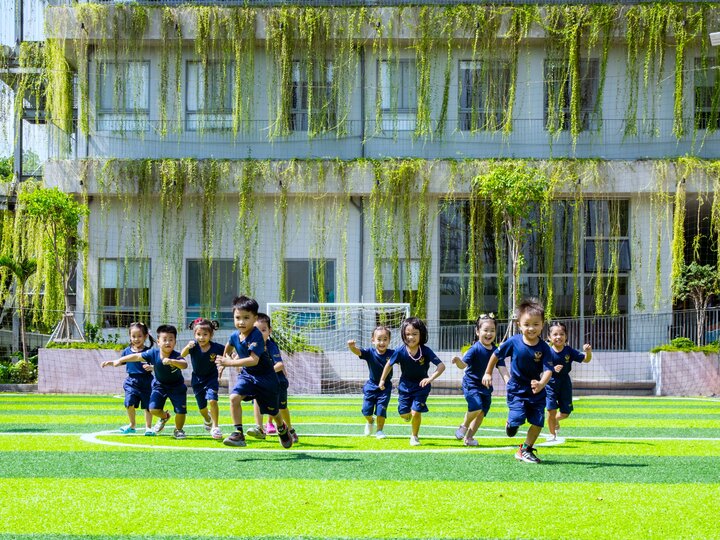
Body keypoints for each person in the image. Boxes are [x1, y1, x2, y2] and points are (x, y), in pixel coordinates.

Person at [216, 296, 292, 449]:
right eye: (238, 318)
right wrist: (223, 361)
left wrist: (229, 363)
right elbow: (229, 346)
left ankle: (282, 428)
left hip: (266, 378)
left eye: (246, 318)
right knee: (234, 397)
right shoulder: (234, 335)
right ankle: (238, 433)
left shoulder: (256, 335)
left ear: (255, 318)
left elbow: (253, 360)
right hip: (248, 376)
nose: (241, 322)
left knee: (273, 411)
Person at [483, 298, 553, 463]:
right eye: (527, 324)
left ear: (542, 325)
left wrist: (542, 383)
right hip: (516, 390)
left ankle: (526, 449)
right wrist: (487, 373)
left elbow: (548, 369)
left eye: (536, 324)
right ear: (519, 325)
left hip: (536, 391)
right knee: (518, 418)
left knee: (538, 422)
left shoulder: (544, 348)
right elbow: (495, 355)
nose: (531, 328)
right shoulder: (513, 342)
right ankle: (511, 423)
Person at [103, 324, 189, 440]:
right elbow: (136, 356)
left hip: (177, 386)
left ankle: (179, 430)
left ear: (175, 342)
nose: (168, 342)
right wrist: (118, 360)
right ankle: (164, 417)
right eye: (164, 340)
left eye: (171, 339)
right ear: (158, 341)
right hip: (160, 386)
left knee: (180, 411)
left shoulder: (176, 355)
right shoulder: (152, 353)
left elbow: (184, 365)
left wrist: (172, 361)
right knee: (153, 409)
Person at [379, 317, 445, 446]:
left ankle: (414, 436)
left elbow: (441, 366)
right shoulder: (399, 351)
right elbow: (388, 365)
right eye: (408, 334)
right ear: (404, 335)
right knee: (404, 414)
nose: (411, 337)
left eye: (415, 334)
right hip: (405, 387)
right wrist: (382, 380)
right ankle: (406, 414)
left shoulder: (425, 351)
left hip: (421, 387)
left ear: (421, 334)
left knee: (416, 412)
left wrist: (430, 378)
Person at [451, 314, 509, 446]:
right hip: (471, 384)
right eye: (485, 330)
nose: (489, 333)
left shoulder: (496, 351)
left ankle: (469, 438)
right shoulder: (475, 349)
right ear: (477, 332)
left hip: (486, 387)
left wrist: (509, 383)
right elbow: (463, 365)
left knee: (481, 413)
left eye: (492, 330)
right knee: (476, 406)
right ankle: (463, 426)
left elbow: (502, 368)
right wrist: (458, 361)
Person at [247, 313, 299, 444]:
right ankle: (259, 428)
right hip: (262, 381)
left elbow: (280, 365)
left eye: (263, 330)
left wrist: (266, 371)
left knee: (282, 407)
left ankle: (290, 429)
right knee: (257, 401)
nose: (260, 334)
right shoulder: (252, 346)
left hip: (278, 382)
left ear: (269, 331)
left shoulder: (271, 346)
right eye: (256, 331)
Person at [103, 322, 155, 436]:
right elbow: (121, 361)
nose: (136, 339)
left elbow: (157, 365)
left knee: (147, 406)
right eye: (133, 336)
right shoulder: (127, 351)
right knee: (129, 402)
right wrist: (111, 362)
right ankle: (132, 425)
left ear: (145, 336)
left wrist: (152, 367)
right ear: (130, 337)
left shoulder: (149, 352)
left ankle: (148, 427)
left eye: (139, 336)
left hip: (147, 381)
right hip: (131, 381)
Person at [545, 321, 592, 441]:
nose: (558, 337)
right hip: (550, 383)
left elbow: (586, 360)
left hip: (565, 383)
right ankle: (552, 434)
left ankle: (555, 420)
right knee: (551, 410)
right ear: (549, 337)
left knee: (565, 413)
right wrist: (552, 369)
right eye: (555, 334)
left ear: (566, 337)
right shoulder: (547, 352)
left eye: (561, 334)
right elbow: (540, 367)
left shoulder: (569, 351)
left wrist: (588, 352)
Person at [180, 318, 225, 441]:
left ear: (211, 335)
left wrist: (227, 361)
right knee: (202, 408)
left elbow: (228, 352)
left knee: (212, 401)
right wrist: (187, 347)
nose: (201, 337)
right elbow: (181, 355)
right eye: (198, 334)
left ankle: (215, 426)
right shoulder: (193, 347)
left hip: (211, 378)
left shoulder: (217, 347)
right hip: (197, 380)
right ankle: (207, 418)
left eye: (205, 334)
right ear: (194, 335)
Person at [347, 325, 395, 439]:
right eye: (379, 339)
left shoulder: (393, 353)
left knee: (381, 410)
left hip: (385, 387)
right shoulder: (369, 352)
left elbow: (404, 359)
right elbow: (358, 352)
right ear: (373, 340)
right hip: (371, 386)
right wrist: (351, 347)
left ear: (389, 340)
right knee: (366, 411)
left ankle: (379, 431)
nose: (382, 342)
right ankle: (370, 420)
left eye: (385, 339)